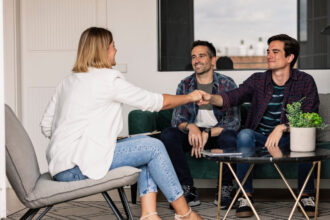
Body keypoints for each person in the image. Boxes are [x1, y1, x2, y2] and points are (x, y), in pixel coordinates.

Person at [40, 27, 203, 220]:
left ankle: (149, 215)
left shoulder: (67, 82)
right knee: (154, 147)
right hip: (77, 168)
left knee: (144, 145)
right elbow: (156, 102)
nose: (116, 50)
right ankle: (185, 214)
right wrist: (190, 97)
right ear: (103, 50)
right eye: (113, 46)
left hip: (61, 167)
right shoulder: (107, 79)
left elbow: (46, 126)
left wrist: (83, 139)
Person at [198, 34, 319, 218]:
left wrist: (282, 127)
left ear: (290, 57)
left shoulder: (305, 81)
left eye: (275, 51)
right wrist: (210, 97)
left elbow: (310, 116)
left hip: (288, 139)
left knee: (304, 139)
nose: (269, 55)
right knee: (245, 134)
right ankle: (245, 196)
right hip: (259, 138)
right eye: (268, 51)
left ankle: (306, 195)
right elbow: (232, 97)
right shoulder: (257, 80)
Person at [161, 40, 240, 209]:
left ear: (213, 60)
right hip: (192, 136)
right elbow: (177, 119)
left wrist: (208, 133)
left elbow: (233, 122)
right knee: (168, 135)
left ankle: (225, 189)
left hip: (217, 134)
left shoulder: (227, 83)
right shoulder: (185, 84)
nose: (196, 60)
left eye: (201, 56)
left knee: (231, 137)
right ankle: (187, 189)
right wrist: (192, 127)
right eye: (193, 57)